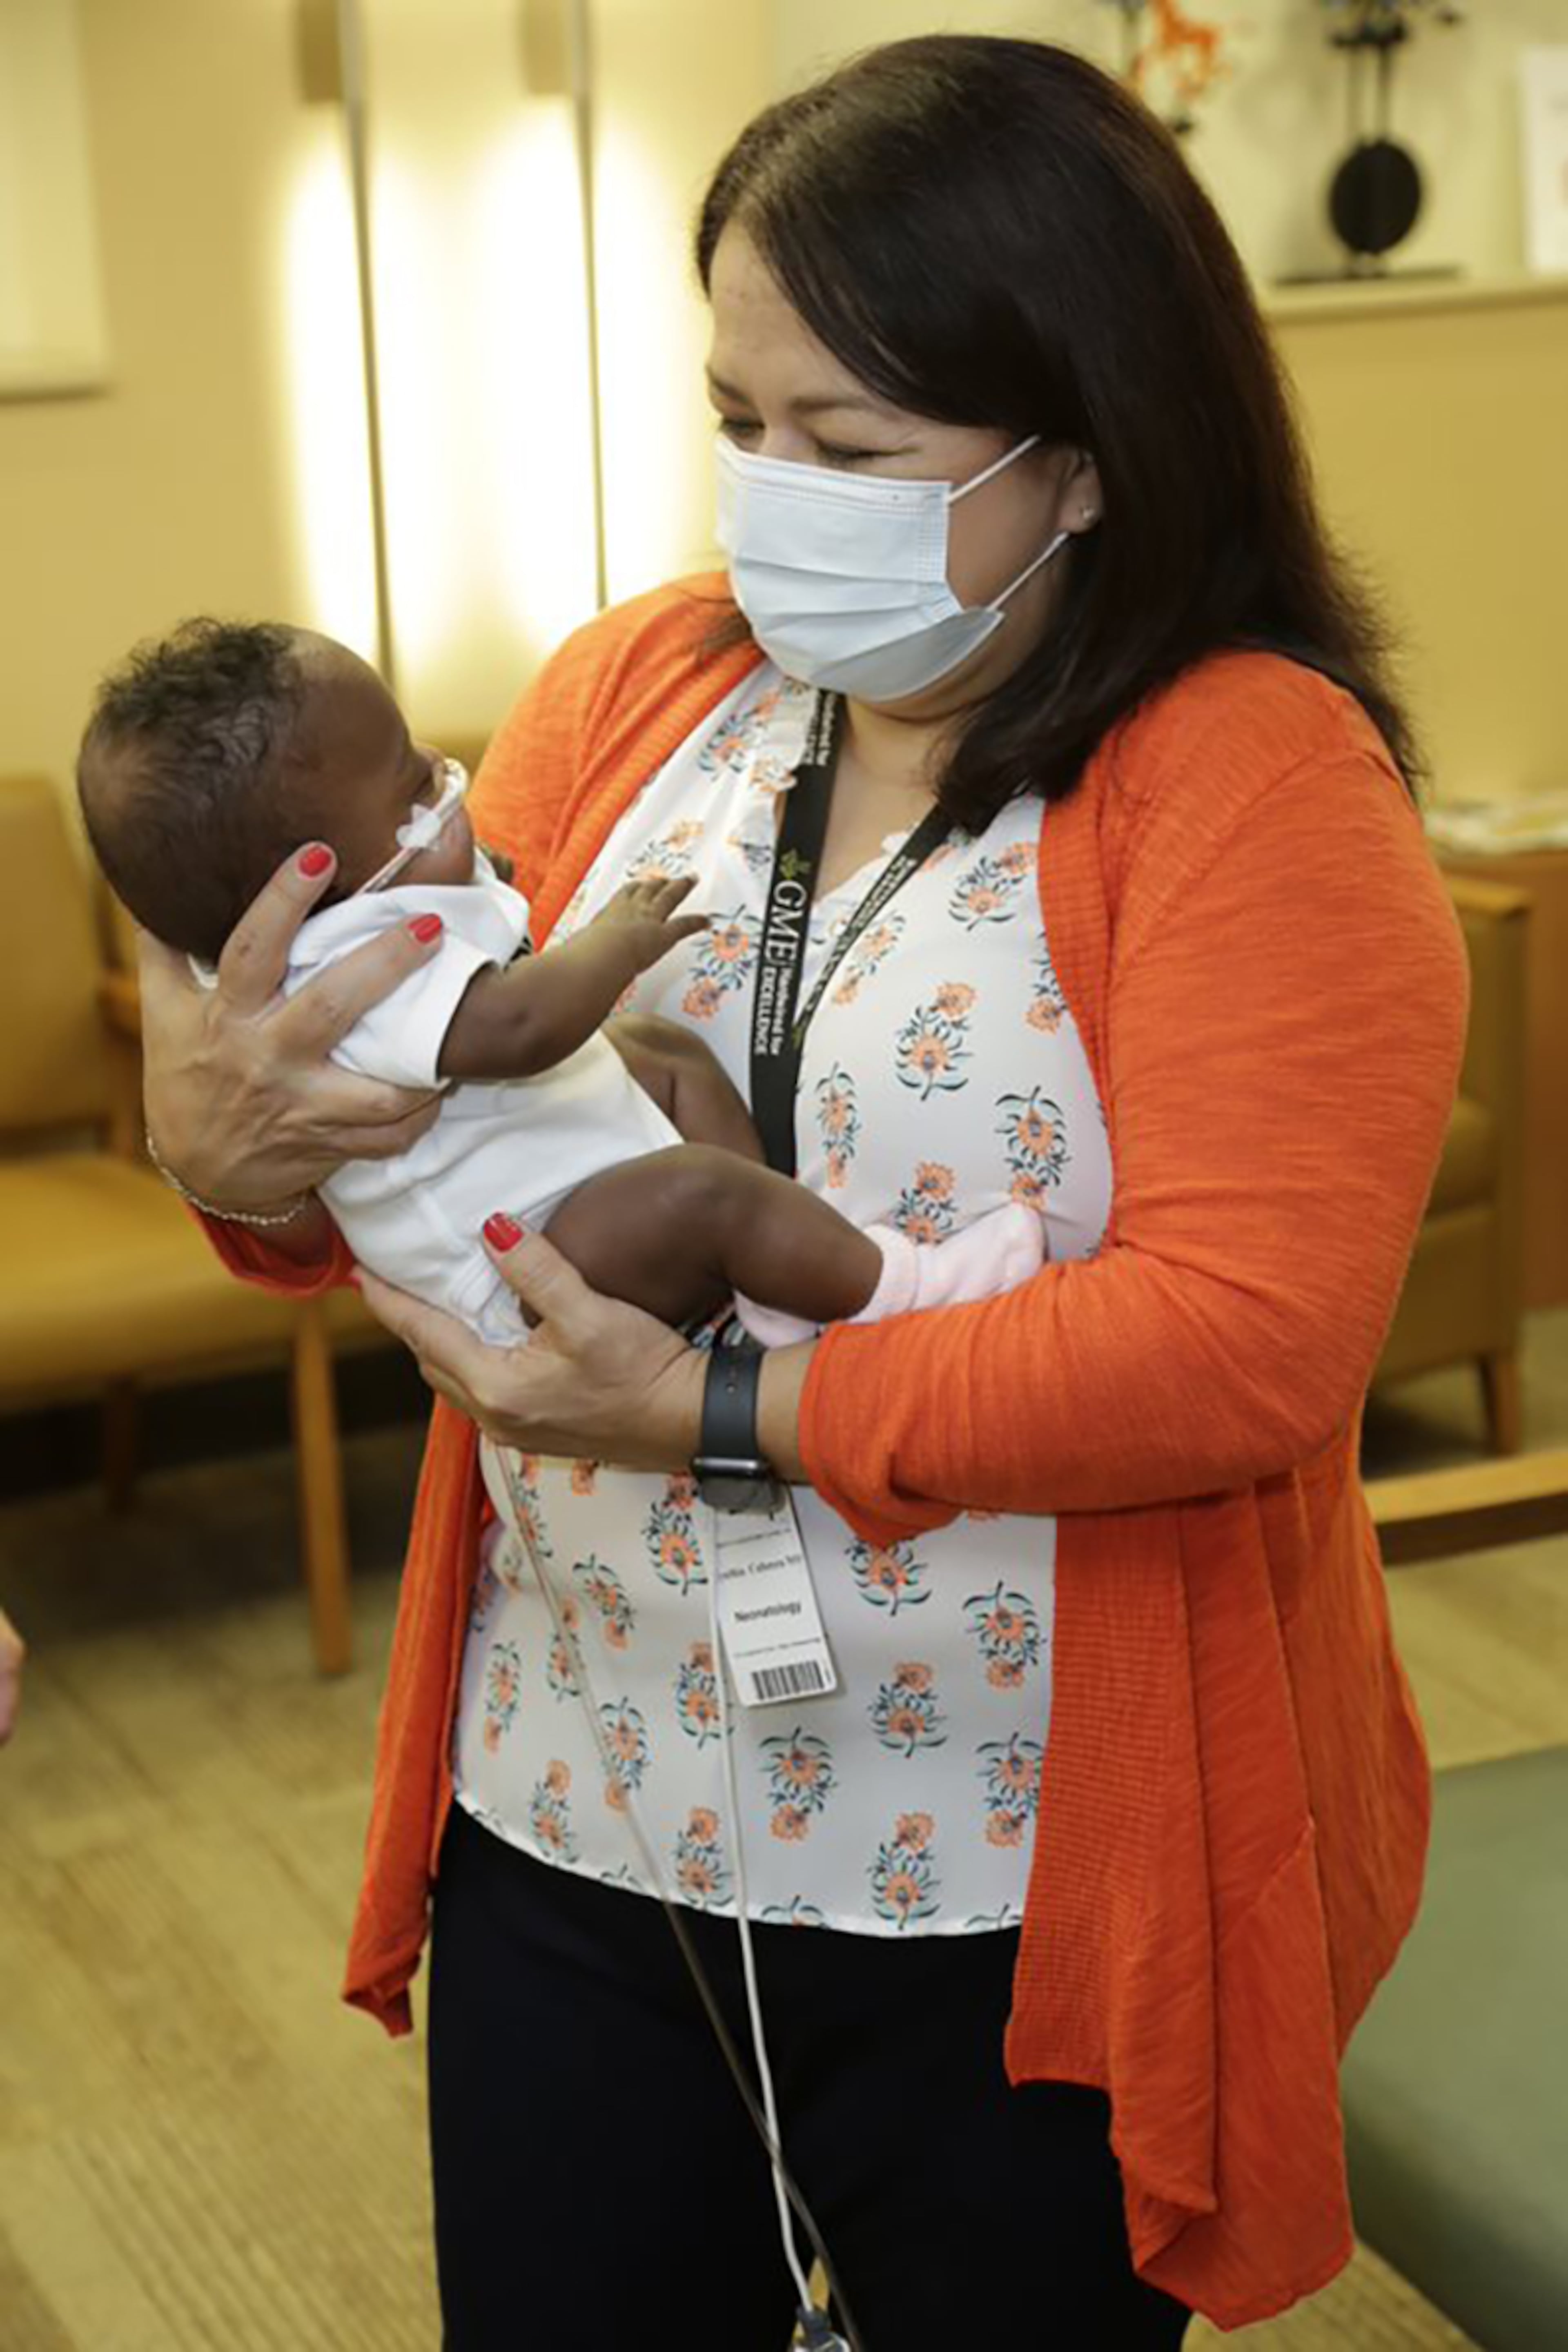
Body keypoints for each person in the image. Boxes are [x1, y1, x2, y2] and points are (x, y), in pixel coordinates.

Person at [132, 35, 1468, 2349]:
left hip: (1017, 1882)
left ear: (1082, 451)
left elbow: (1247, 1345)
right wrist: (244, 1170)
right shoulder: (645, 688)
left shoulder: (1251, 778)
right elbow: (431, 1122)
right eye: (741, 421)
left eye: (847, 446)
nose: (771, 494)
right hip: (584, 1795)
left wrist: (733, 1418)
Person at [77, 620, 1045, 1348]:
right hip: (527, 1260)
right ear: (322, 870)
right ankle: (896, 1288)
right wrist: (620, 940)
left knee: (658, 1055)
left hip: (565, 1181)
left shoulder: (378, 898)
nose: (450, 790)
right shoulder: (342, 959)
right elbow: (522, 1023)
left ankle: (781, 1264)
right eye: (417, 790)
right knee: (702, 1192)